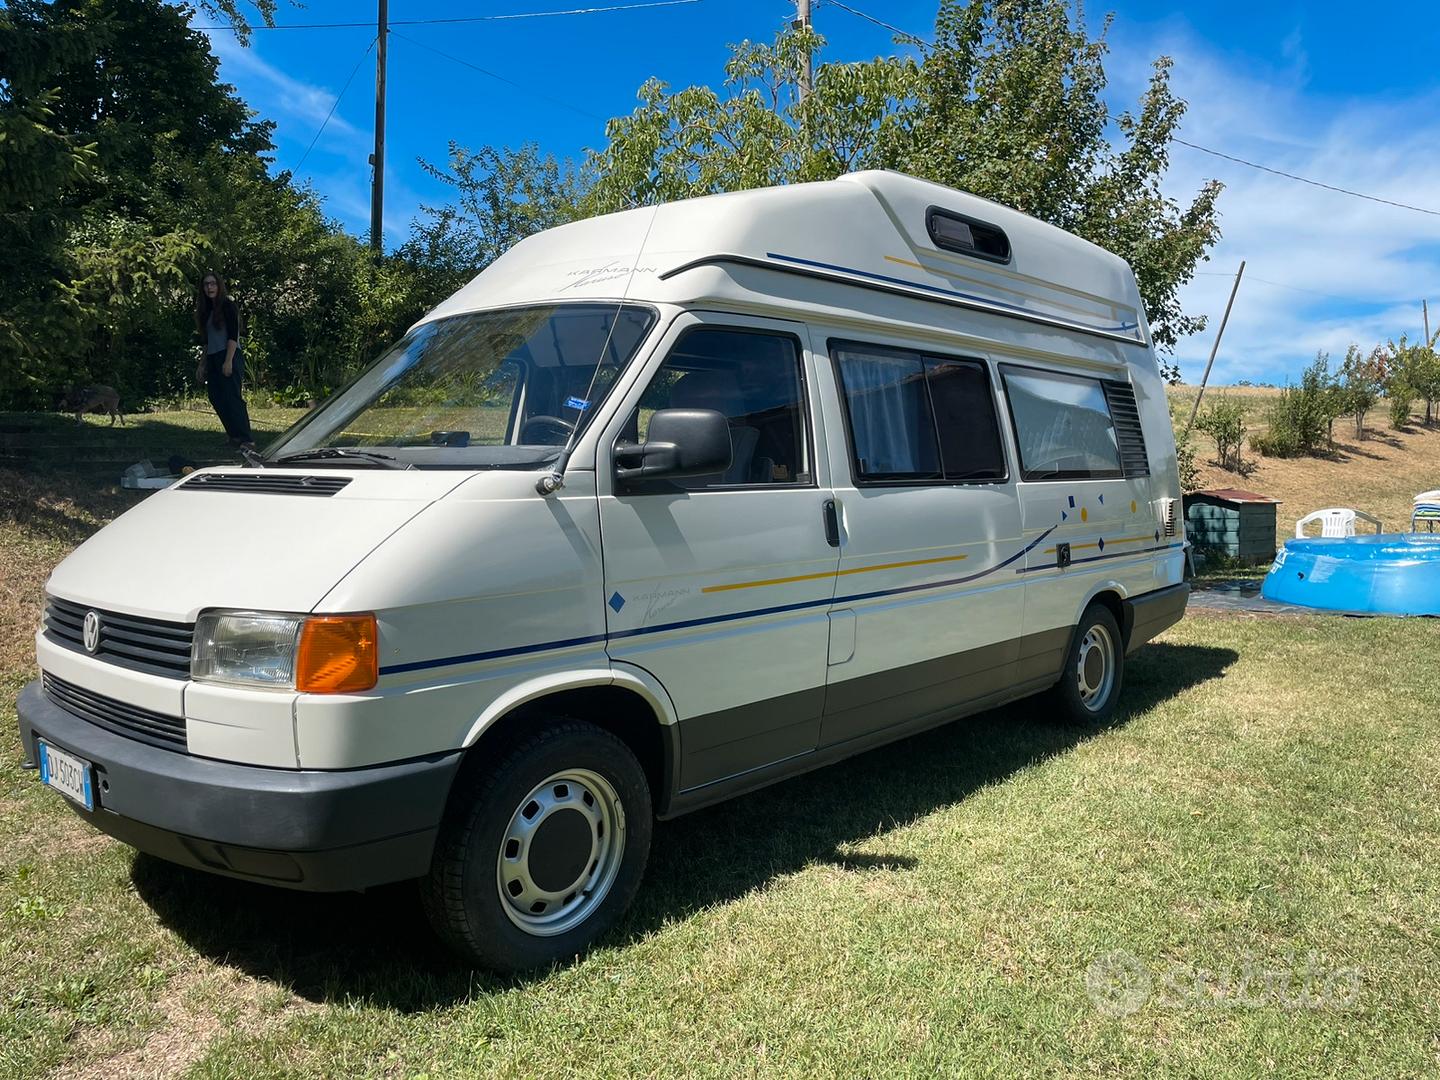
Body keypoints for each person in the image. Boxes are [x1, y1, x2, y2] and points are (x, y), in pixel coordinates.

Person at [194, 272, 254, 449]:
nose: (209, 287)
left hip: (229, 354)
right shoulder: (206, 311)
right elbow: (207, 341)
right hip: (213, 356)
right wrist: (202, 365)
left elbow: (233, 336)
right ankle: (233, 435)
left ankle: (246, 438)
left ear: (219, 286)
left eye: (213, 283)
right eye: (206, 284)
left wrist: (228, 361)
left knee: (232, 397)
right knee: (216, 397)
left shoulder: (228, 306)